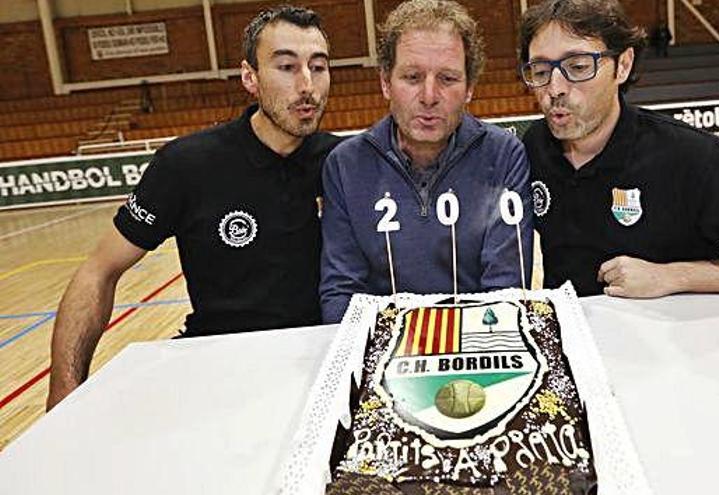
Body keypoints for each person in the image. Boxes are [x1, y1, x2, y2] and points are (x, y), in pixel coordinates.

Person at [47, 6, 341, 410]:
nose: (307, 85)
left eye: (319, 67)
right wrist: (63, 393)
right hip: (213, 368)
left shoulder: (345, 163)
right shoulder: (187, 165)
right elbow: (98, 270)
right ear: (249, 77)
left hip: (320, 366)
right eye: (287, 66)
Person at [518, 0, 719, 298]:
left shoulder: (696, 158)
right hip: (567, 341)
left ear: (623, 65)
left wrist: (674, 276)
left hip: (672, 342)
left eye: (578, 66)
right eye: (541, 71)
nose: (555, 89)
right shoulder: (532, 147)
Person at [320, 0, 533, 323]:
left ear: (470, 89)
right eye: (412, 77)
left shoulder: (504, 155)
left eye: (447, 79)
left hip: (476, 349)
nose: (429, 96)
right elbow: (341, 291)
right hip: (382, 353)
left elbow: (506, 290)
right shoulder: (345, 165)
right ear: (385, 83)